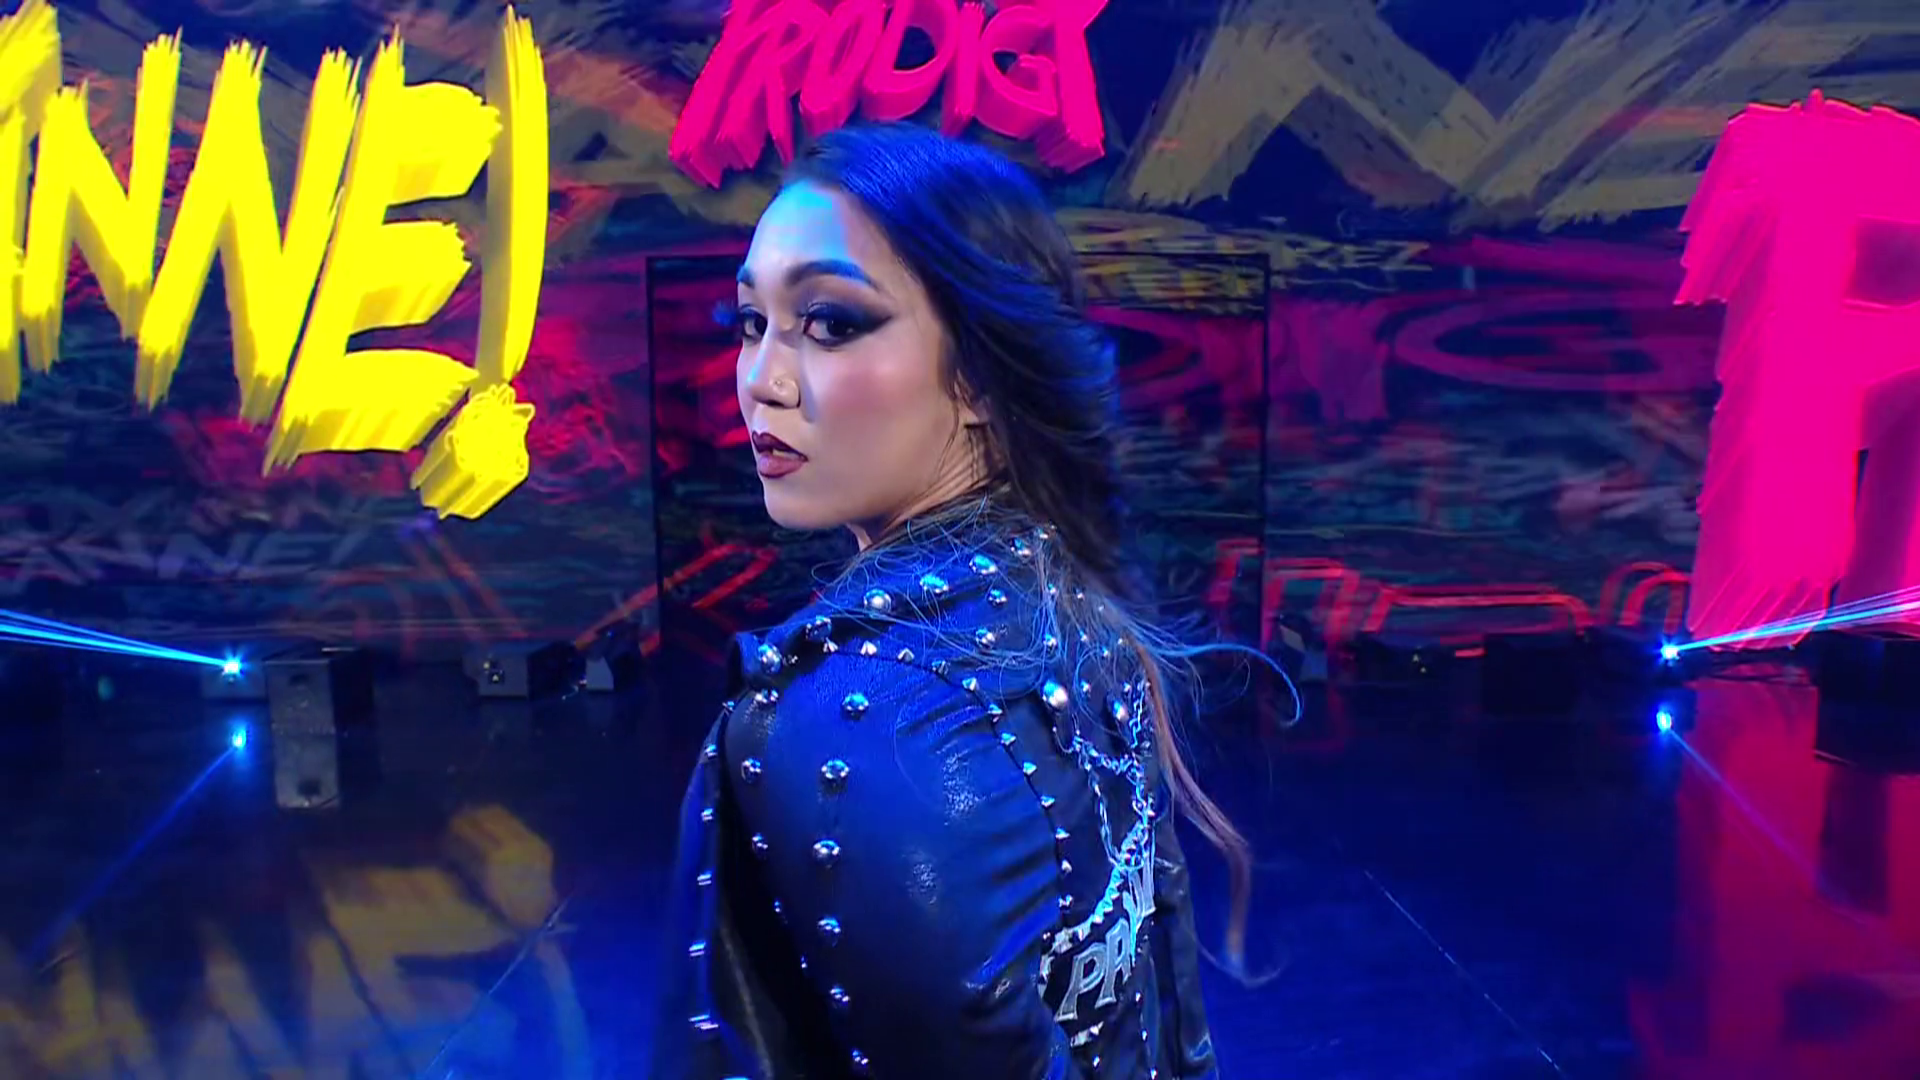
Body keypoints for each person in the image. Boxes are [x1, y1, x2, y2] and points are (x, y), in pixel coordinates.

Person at [648, 123, 1252, 1079]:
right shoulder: (1074, 600)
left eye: (830, 323)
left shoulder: (849, 727)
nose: (761, 381)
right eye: (750, 322)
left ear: (976, 374)